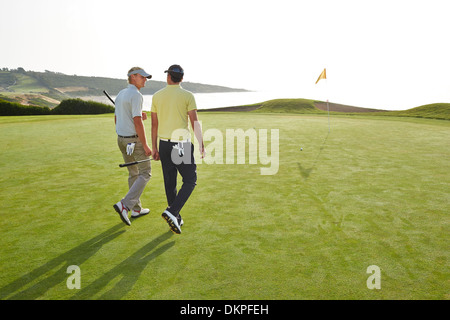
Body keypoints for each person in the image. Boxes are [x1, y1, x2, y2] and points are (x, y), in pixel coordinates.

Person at [151, 65, 205, 234]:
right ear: (181, 78)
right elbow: (194, 122)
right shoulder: (188, 95)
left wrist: (154, 147)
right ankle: (173, 212)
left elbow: (154, 124)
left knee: (170, 182)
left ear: (168, 77)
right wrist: (201, 144)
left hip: (164, 145)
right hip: (180, 144)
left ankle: (176, 218)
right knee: (190, 180)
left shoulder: (157, 96)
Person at [113, 67, 153, 226]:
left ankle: (136, 209)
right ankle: (125, 204)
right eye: (142, 77)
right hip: (134, 142)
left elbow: (118, 118)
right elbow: (137, 122)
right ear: (133, 77)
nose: (145, 79)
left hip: (121, 140)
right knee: (146, 173)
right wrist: (145, 145)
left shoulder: (121, 94)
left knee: (133, 173)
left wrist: (139, 117)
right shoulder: (136, 95)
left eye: (146, 77)